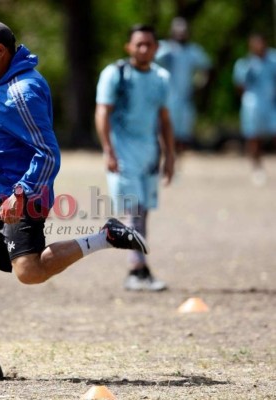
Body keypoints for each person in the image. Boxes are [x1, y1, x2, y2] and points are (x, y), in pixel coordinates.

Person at [0, 21, 149, 381]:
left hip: (19, 199)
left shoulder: (24, 90)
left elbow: (48, 153)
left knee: (29, 272)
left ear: (0, 51)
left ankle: (105, 236)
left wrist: (21, 194)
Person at [95, 24, 175, 292]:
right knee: (135, 211)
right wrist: (108, 149)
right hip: (123, 152)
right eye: (138, 44)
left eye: (149, 44)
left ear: (156, 47)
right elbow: (102, 112)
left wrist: (170, 155)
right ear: (128, 47)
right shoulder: (115, 74)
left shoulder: (161, 77)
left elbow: (164, 119)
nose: (143, 49)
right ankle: (137, 269)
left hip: (150, 153)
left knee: (144, 213)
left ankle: (138, 268)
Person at [155, 17, 212, 154]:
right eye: (178, 30)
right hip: (165, 98)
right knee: (163, 131)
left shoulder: (193, 51)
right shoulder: (163, 48)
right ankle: (164, 160)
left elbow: (207, 68)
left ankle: (176, 163)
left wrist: (199, 84)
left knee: (182, 134)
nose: (181, 34)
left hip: (185, 99)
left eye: (184, 31)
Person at [233, 32, 276, 186]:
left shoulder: (274, 60)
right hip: (252, 104)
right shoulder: (245, 64)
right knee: (253, 137)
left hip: (271, 104)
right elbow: (239, 86)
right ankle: (257, 168)